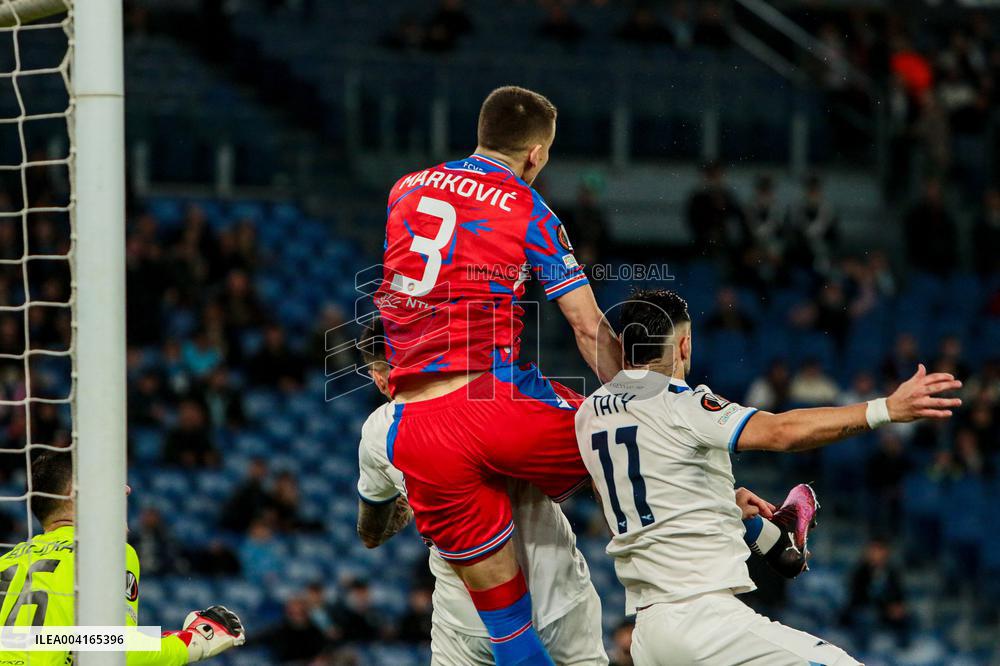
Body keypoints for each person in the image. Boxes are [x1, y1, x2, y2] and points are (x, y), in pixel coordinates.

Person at [574, 289, 961, 665]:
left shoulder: (588, 416)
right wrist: (885, 409)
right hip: (703, 620)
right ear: (684, 346)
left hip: (649, 633)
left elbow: (619, 497)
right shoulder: (683, 405)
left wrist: (719, 503)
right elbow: (781, 432)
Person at [373, 85, 620, 665]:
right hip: (491, 400)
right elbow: (587, 329)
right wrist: (643, 399)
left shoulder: (404, 189)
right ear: (535, 153)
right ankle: (762, 530)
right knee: (632, 441)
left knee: (513, 642)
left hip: (415, 426)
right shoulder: (528, 207)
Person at [356, 318, 609, 665]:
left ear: (380, 377)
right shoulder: (509, 391)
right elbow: (599, 447)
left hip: (466, 625)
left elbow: (370, 531)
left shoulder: (378, 433)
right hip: (561, 604)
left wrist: (414, 501)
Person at [0, 452, 245, 664]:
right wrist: (195, 643)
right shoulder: (102, 550)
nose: (126, 489)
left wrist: (174, 637)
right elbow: (115, 649)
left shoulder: (7, 560)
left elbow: (75, 641)